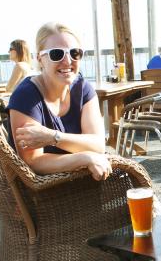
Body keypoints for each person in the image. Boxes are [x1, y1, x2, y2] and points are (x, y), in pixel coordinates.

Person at [6, 22, 111, 181]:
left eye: (74, 53)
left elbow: (97, 145)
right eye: (57, 54)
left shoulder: (83, 89)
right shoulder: (25, 96)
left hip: (81, 183)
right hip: (43, 192)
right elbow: (32, 162)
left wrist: (52, 137)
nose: (68, 61)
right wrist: (85, 158)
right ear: (40, 59)